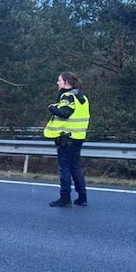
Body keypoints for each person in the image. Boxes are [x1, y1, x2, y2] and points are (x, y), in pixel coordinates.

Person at [44, 71, 90, 207]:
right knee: (75, 168)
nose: (57, 83)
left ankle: (65, 198)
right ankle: (82, 197)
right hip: (78, 137)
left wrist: (52, 108)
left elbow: (65, 113)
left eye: (59, 80)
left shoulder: (68, 96)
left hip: (67, 139)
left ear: (66, 83)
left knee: (64, 169)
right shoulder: (81, 97)